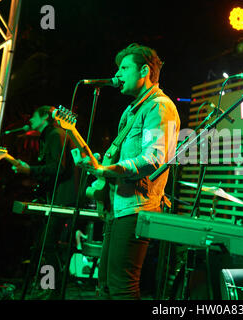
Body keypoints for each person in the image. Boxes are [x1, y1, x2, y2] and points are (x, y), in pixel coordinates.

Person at [77, 43, 180, 300]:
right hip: (118, 206)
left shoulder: (159, 106)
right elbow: (124, 159)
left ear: (144, 70)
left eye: (124, 68)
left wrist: (109, 168)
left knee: (122, 285)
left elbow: (154, 158)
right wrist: (100, 164)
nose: (118, 74)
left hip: (137, 208)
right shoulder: (132, 110)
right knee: (106, 286)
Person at [12, 105, 78, 299]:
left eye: (33, 115)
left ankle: (50, 291)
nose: (30, 120)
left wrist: (30, 170)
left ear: (44, 117)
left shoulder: (55, 134)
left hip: (62, 199)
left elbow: (58, 167)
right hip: (58, 197)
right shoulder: (52, 135)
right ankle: (47, 288)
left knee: (47, 246)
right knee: (44, 245)